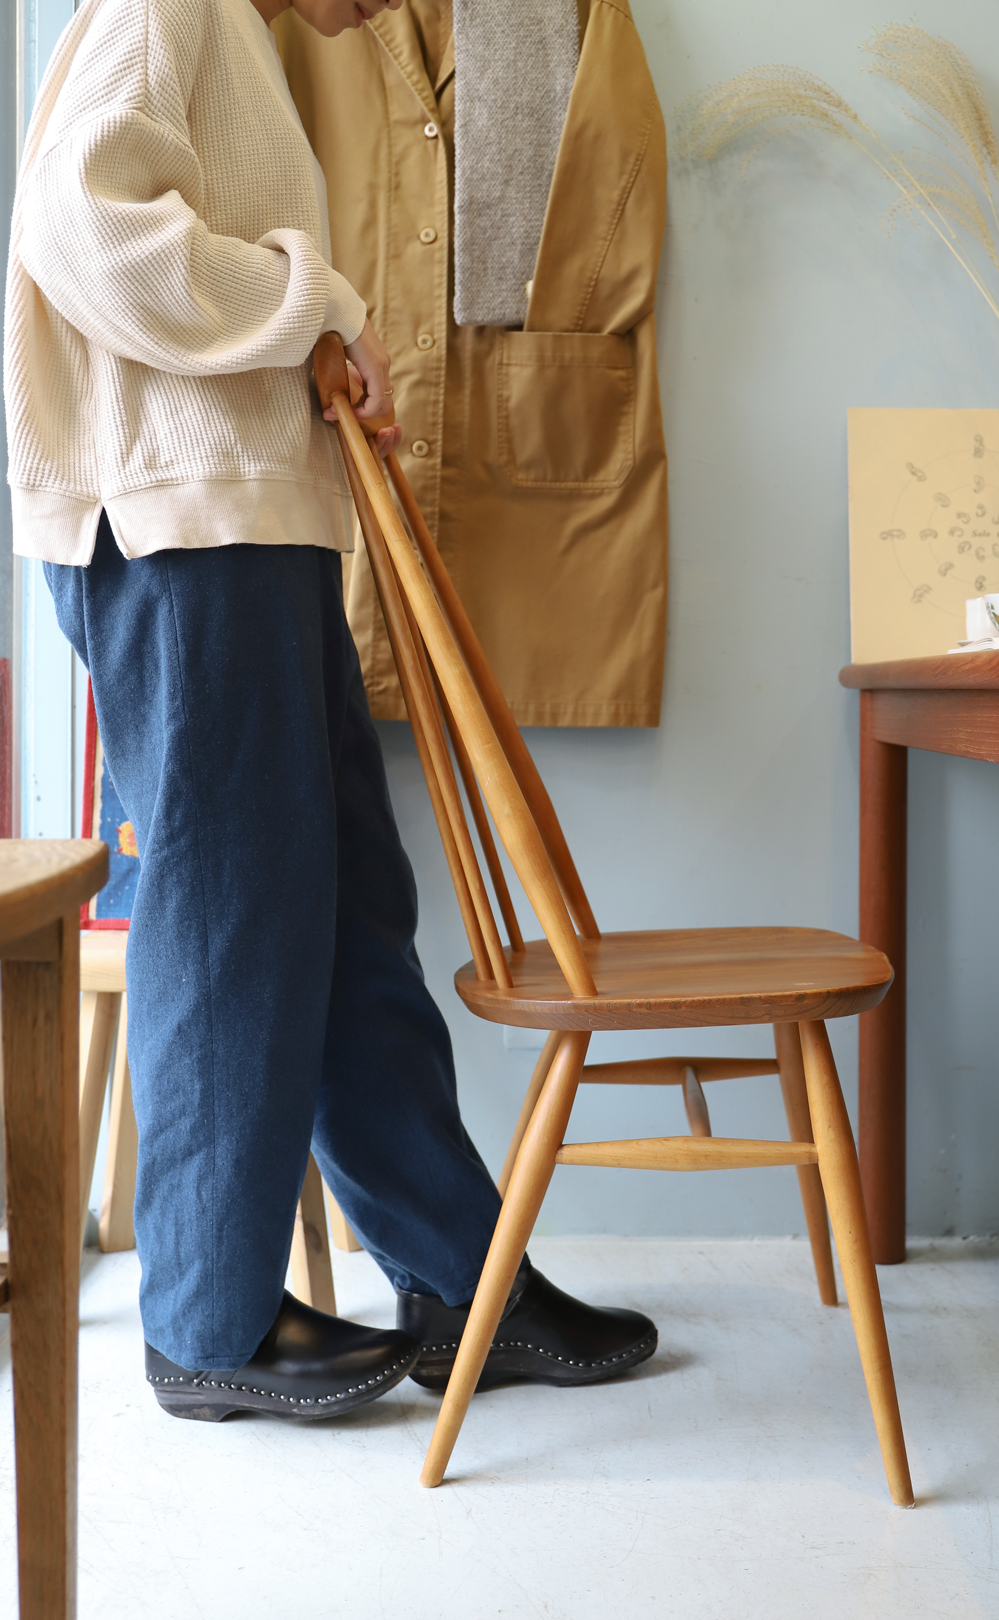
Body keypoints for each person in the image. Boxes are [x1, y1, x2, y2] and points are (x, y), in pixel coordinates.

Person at [4, 0, 657, 1421]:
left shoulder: (230, 29)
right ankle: (205, 1320)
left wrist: (306, 338)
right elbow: (81, 224)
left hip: (247, 523)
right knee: (236, 909)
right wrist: (310, 304)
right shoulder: (168, 6)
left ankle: (457, 1277)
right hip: (184, 531)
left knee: (353, 897)